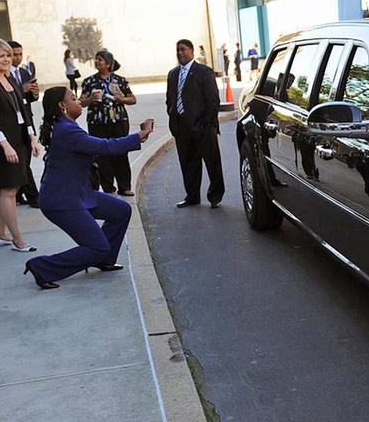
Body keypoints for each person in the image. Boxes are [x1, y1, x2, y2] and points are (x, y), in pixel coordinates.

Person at [23, 87, 154, 290]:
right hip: (61, 200)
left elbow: (98, 143)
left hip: (77, 193)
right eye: (74, 99)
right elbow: (106, 146)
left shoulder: (64, 124)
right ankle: (42, 267)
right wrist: (139, 135)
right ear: (62, 106)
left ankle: (104, 259)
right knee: (97, 247)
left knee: (121, 210)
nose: (79, 101)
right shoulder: (67, 130)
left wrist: (137, 137)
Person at [0, 38, 42, 252]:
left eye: (8, 56)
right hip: (3, 144)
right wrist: (4, 145)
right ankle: (17, 239)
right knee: (9, 190)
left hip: (20, 140)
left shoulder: (10, 78)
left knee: (12, 188)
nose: (7, 59)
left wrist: (31, 137)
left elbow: (23, 110)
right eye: (2, 56)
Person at [166, 39, 224, 208]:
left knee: (212, 162)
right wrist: (172, 116)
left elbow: (213, 100)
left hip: (203, 126)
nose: (180, 53)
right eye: (177, 50)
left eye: (183, 49)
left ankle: (215, 197)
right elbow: (170, 99)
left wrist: (207, 123)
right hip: (182, 127)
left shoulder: (204, 72)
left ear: (192, 51)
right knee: (188, 163)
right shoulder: (173, 74)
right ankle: (192, 196)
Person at [80, 49, 137, 196]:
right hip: (97, 121)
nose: (97, 62)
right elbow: (81, 102)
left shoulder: (119, 80)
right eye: (96, 59)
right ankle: (108, 188)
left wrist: (121, 99)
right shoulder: (89, 81)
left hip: (118, 120)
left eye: (100, 59)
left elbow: (132, 99)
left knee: (121, 152)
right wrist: (90, 99)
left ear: (108, 63)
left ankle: (124, 187)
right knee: (102, 154)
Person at [8, 41, 40, 208]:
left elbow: (30, 99)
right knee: (22, 161)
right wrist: (22, 89)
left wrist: (34, 93)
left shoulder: (24, 72)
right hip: (13, 124)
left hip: (28, 121)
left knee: (25, 160)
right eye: (14, 54)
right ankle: (34, 196)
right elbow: (10, 96)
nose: (17, 57)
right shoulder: (4, 75)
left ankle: (19, 193)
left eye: (20, 54)